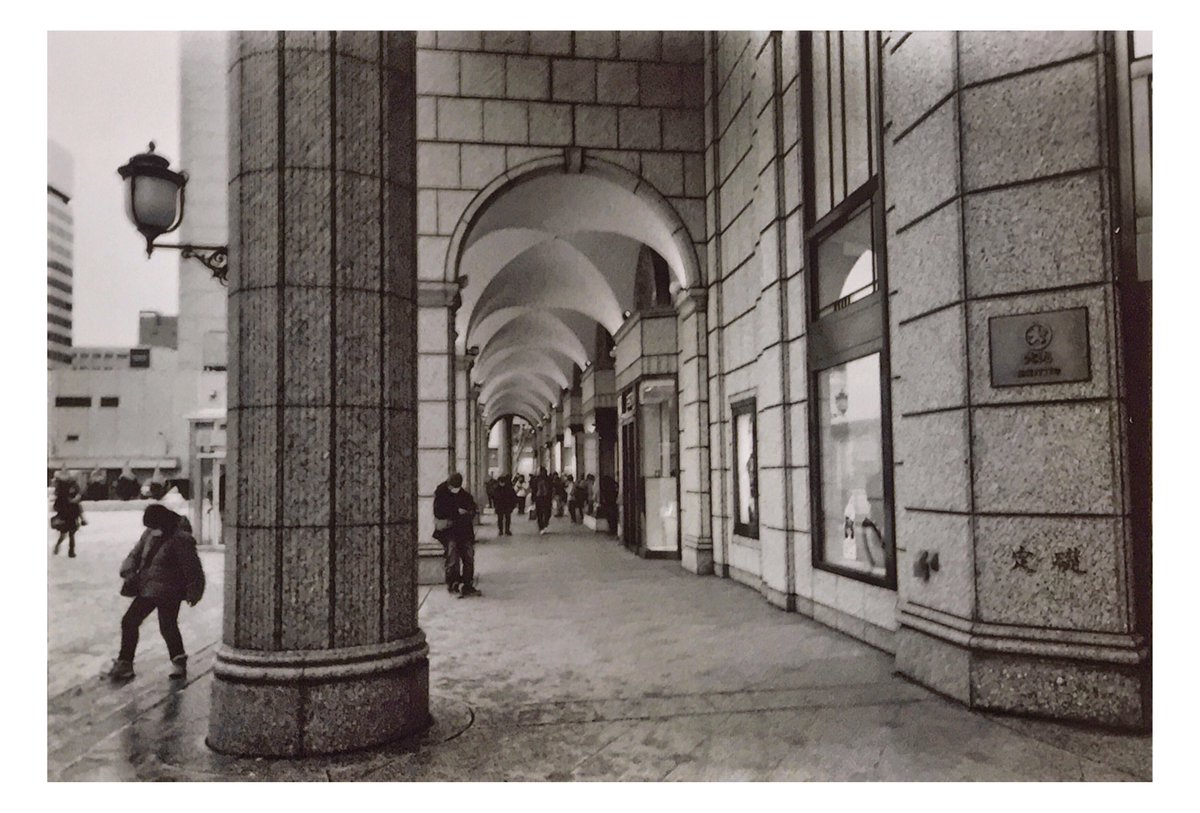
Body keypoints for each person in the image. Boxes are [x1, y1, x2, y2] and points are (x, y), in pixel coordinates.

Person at [105, 504, 205, 681]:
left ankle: (178, 662)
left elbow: (192, 567)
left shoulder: (181, 539)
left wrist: (194, 590)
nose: (151, 529)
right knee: (129, 621)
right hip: (148, 588)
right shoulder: (150, 534)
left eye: (153, 525)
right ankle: (125, 662)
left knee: (167, 626)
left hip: (170, 591)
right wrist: (128, 570)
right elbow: (135, 554)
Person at [433, 473, 481, 597]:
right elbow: (438, 513)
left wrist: (469, 511)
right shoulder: (441, 494)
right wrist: (457, 512)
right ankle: (453, 582)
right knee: (452, 558)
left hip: (464, 531)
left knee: (468, 557)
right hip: (450, 532)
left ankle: (467, 584)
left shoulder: (464, 495)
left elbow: (472, 508)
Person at [51, 470, 83, 557]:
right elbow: (78, 500)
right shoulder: (69, 487)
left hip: (66, 514)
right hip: (70, 514)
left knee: (65, 534)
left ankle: (66, 549)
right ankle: (70, 551)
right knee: (70, 534)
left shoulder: (63, 488)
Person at [531, 466, 554, 535]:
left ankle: (544, 524)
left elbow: (551, 488)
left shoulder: (548, 479)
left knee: (547, 512)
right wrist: (533, 498)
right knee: (540, 513)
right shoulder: (536, 480)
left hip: (546, 498)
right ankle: (541, 526)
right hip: (540, 498)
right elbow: (534, 489)